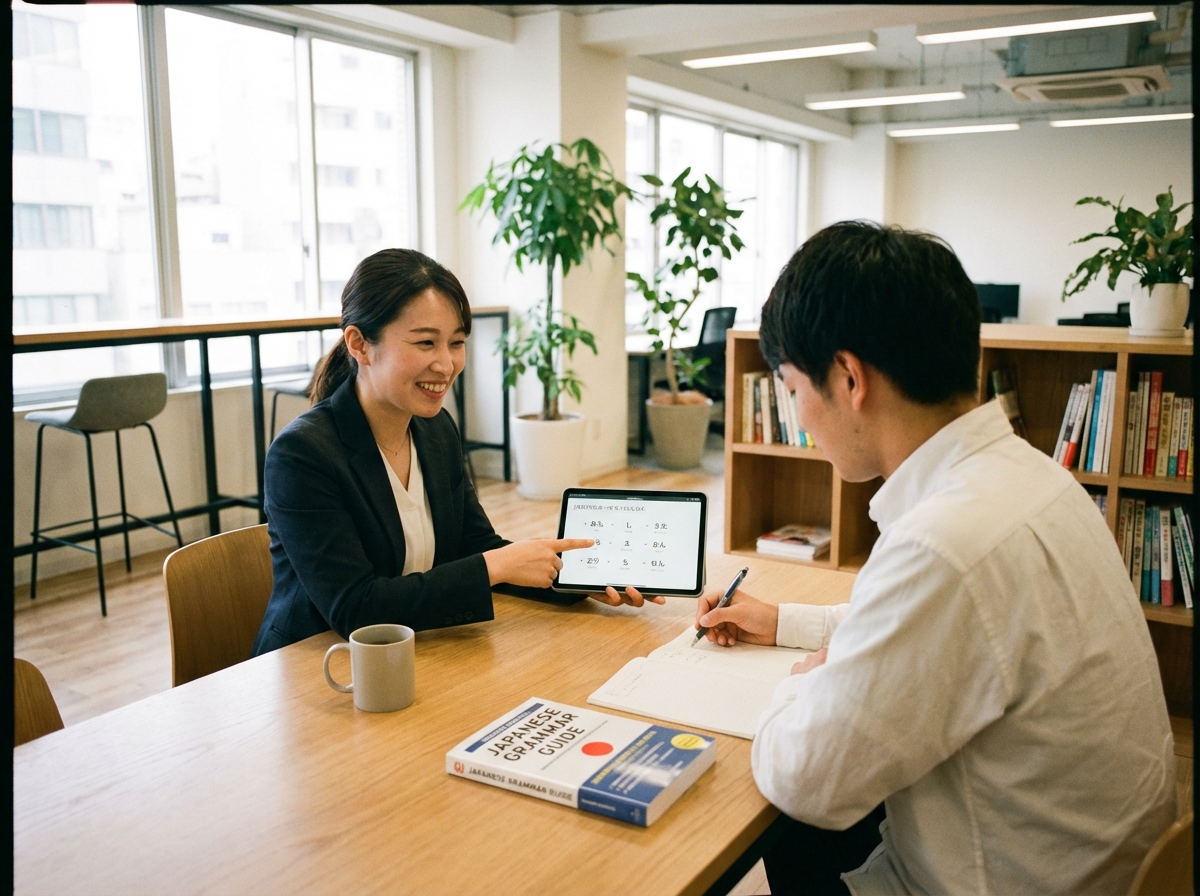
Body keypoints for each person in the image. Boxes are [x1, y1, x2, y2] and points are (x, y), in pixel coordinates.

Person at [694, 221, 1176, 895]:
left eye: (791, 386)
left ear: (848, 377)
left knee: (784, 820)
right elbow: (945, 636)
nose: (798, 416)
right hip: (1091, 868)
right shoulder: (1033, 480)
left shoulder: (943, 543)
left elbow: (805, 778)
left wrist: (803, 682)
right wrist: (787, 624)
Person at [253, 248, 660, 655]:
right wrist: (494, 567)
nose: (447, 365)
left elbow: (474, 544)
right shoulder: (302, 455)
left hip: (415, 653)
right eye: (426, 342)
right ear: (359, 344)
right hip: (316, 665)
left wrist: (576, 580)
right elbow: (356, 609)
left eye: (457, 343)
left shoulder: (435, 430)